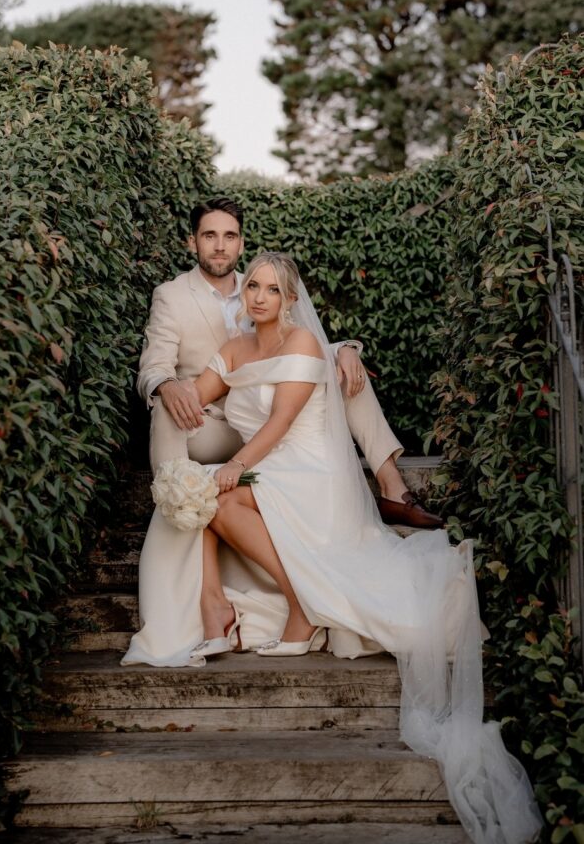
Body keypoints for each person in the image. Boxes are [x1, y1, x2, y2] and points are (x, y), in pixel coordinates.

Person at [122, 252, 542, 844]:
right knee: (206, 495)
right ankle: (294, 605)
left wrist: (231, 468)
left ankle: (295, 603)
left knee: (222, 493)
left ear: (290, 299)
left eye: (272, 289)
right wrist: (175, 395)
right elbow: (200, 390)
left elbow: (275, 427)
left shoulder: (300, 346)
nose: (260, 297)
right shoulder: (236, 351)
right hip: (268, 467)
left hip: (307, 471)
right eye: (254, 289)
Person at [137, 196, 441, 528]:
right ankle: (171, 510)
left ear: (241, 243)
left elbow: (291, 341)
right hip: (215, 424)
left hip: (273, 416)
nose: (220, 246)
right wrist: (167, 385)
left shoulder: (260, 282)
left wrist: (343, 348)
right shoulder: (172, 295)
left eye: (230, 236)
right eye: (210, 236)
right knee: (164, 404)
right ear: (192, 241)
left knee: (344, 369)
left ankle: (392, 488)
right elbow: (154, 366)